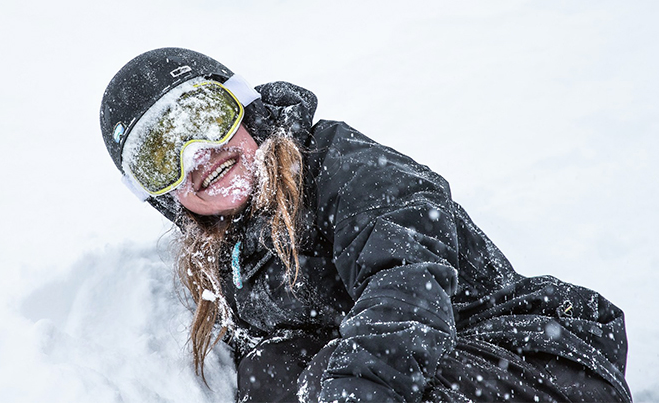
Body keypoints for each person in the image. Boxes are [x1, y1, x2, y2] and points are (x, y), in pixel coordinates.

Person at [100, 47, 631, 403]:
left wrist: (347, 389)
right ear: (161, 196)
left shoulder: (340, 166)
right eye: (160, 156)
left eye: (203, 118)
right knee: (271, 369)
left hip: (534, 362)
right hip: (425, 382)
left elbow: (407, 281)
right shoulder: (232, 262)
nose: (198, 154)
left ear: (244, 109)